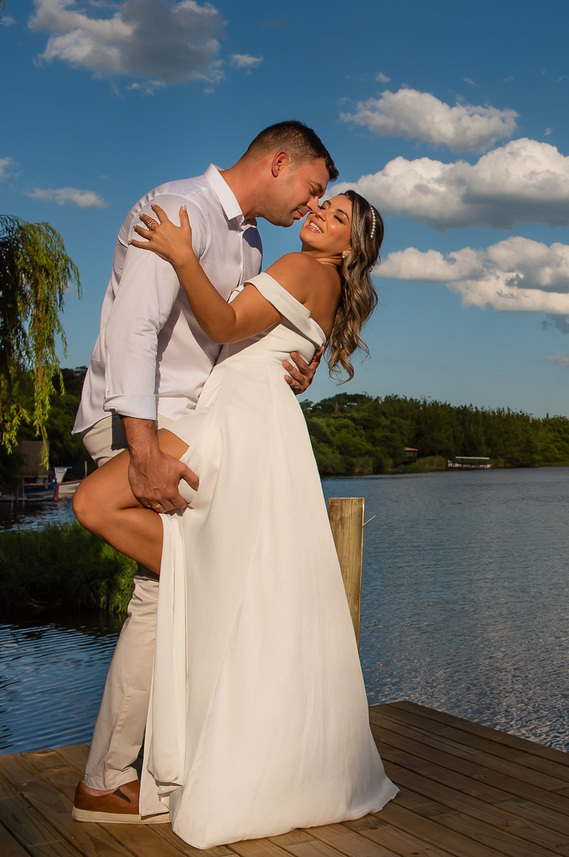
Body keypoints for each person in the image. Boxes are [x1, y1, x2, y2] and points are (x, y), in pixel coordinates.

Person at [72, 189, 398, 848]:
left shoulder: (307, 269)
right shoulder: (320, 280)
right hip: (258, 423)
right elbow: (271, 344)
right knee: (179, 539)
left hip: (231, 424)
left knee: (93, 501)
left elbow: (222, 325)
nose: (319, 216)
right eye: (322, 206)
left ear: (350, 247)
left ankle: (204, 582)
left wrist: (178, 252)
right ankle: (214, 582)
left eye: (337, 218)